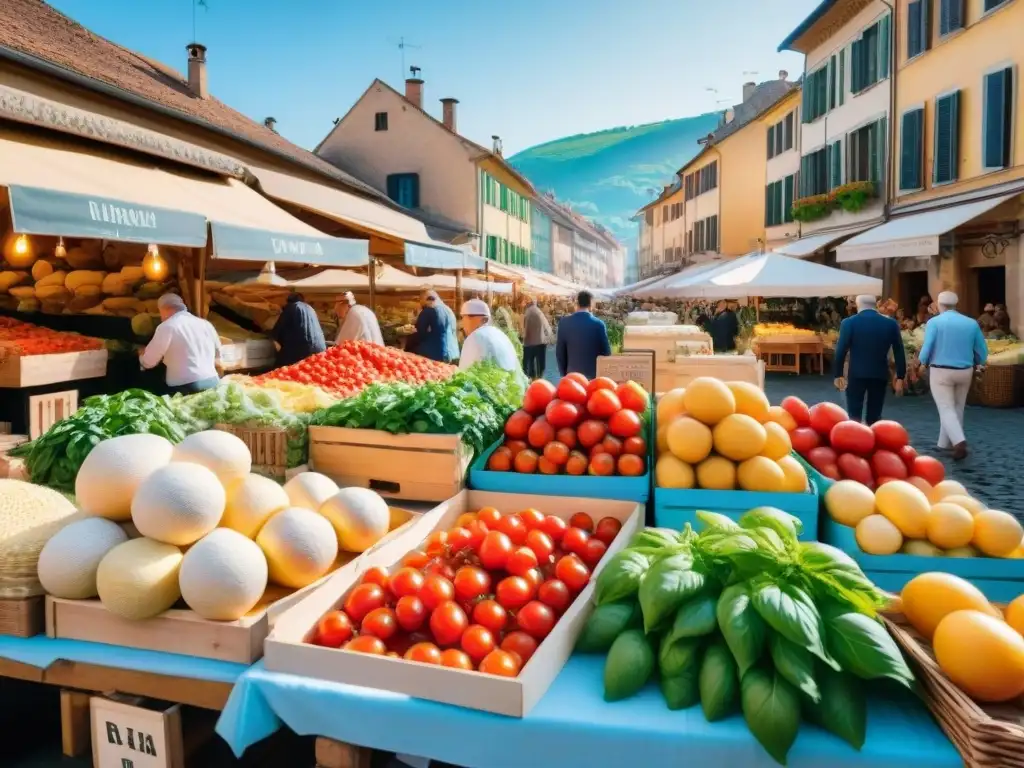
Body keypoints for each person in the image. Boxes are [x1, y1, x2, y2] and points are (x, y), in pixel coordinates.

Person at [918, 291, 988, 460]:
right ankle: (943, 444)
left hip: (940, 370)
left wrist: (922, 362)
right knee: (957, 407)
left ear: (940, 304)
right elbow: (982, 351)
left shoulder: (934, 322)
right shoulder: (971, 323)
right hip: (965, 370)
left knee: (945, 408)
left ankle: (959, 441)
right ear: (956, 304)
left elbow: (927, 347)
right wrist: (979, 361)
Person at [832, 295, 907, 425]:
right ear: (875, 305)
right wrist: (900, 376)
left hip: (856, 373)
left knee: (854, 413)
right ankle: (873, 438)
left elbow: (841, 351)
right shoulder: (890, 324)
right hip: (879, 373)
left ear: (858, 304)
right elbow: (899, 351)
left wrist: (838, 374)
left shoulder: (849, 323)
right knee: (875, 414)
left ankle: (855, 439)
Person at [140, 293, 221, 395]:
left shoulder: (167, 326)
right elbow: (218, 354)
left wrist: (142, 358)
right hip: (212, 382)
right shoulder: (206, 324)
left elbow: (149, 362)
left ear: (164, 309)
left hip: (185, 387)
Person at [458, 299, 527, 385]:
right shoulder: (499, 334)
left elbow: (464, 376)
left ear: (474, 318)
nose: (462, 324)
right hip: (514, 391)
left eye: (463, 318)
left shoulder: (476, 337)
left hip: (497, 393)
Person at [555, 290, 611, 379]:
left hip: (572, 378)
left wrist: (564, 374)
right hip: (594, 377)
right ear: (591, 305)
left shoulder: (564, 323)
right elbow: (606, 352)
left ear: (576, 304)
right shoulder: (599, 324)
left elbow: (560, 353)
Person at [271, 293, 325, 367]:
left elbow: (277, 331)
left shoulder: (291, 307)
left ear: (288, 302)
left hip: (301, 352)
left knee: (278, 370)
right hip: (320, 350)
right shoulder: (311, 309)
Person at [411, 290, 450, 362]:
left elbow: (420, 332)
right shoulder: (444, 311)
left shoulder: (427, 311)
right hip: (441, 348)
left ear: (425, 300)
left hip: (428, 351)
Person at [522, 297, 552, 380]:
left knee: (530, 363)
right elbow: (546, 326)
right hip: (540, 342)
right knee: (541, 364)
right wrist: (550, 337)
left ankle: (533, 378)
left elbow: (524, 328)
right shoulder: (539, 312)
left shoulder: (527, 312)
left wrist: (523, 338)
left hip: (529, 343)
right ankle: (540, 378)